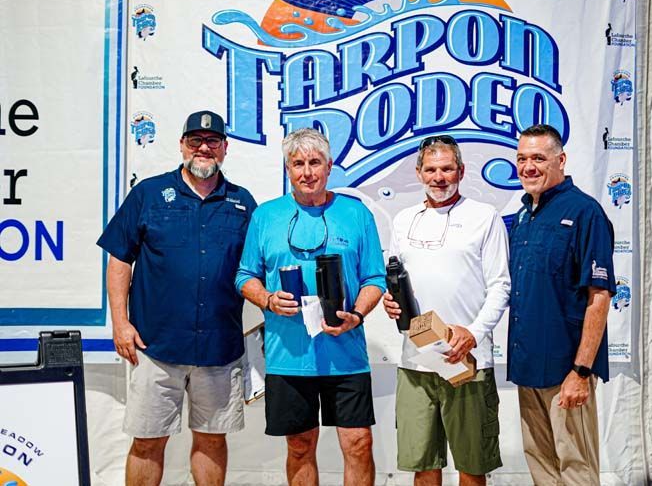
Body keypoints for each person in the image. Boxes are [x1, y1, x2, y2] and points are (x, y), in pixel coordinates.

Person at [97, 110, 256, 486]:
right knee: (148, 441)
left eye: (212, 141)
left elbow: (256, 267)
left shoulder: (242, 202)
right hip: (156, 345)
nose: (204, 148)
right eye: (196, 140)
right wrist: (120, 323)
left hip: (219, 348)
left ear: (225, 149)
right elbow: (119, 258)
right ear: (182, 145)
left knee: (212, 440)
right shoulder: (148, 194)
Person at [235, 128, 385, 486]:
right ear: (287, 169)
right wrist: (268, 299)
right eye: (297, 163)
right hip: (288, 354)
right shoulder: (266, 216)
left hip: (345, 351)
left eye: (314, 162)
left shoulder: (356, 214)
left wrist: (357, 315)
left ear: (329, 166)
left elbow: (375, 279)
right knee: (300, 446)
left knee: (359, 443)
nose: (307, 172)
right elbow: (244, 276)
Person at [383, 136, 510, 486]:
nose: (439, 177)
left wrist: (474, 333)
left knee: (472, 464)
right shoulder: (404, 220)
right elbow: (395, 283)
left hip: (466, 360)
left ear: (461, 171)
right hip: (415, 361)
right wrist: (389, 301)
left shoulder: (484, 218)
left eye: (447, 169)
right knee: (423, 464)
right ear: (419, 172)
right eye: (431, 169)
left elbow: (501, 285)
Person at [507, 124, 616, 486]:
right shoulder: (524, 216)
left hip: (565, 372)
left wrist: (581, 372)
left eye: (539, 158)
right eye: (522, 158)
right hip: (527, 368)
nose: (528, 167)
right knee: (541, 465)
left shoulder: (586, 213)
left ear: (561, 160)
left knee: (576, 470)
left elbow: (599, 296)